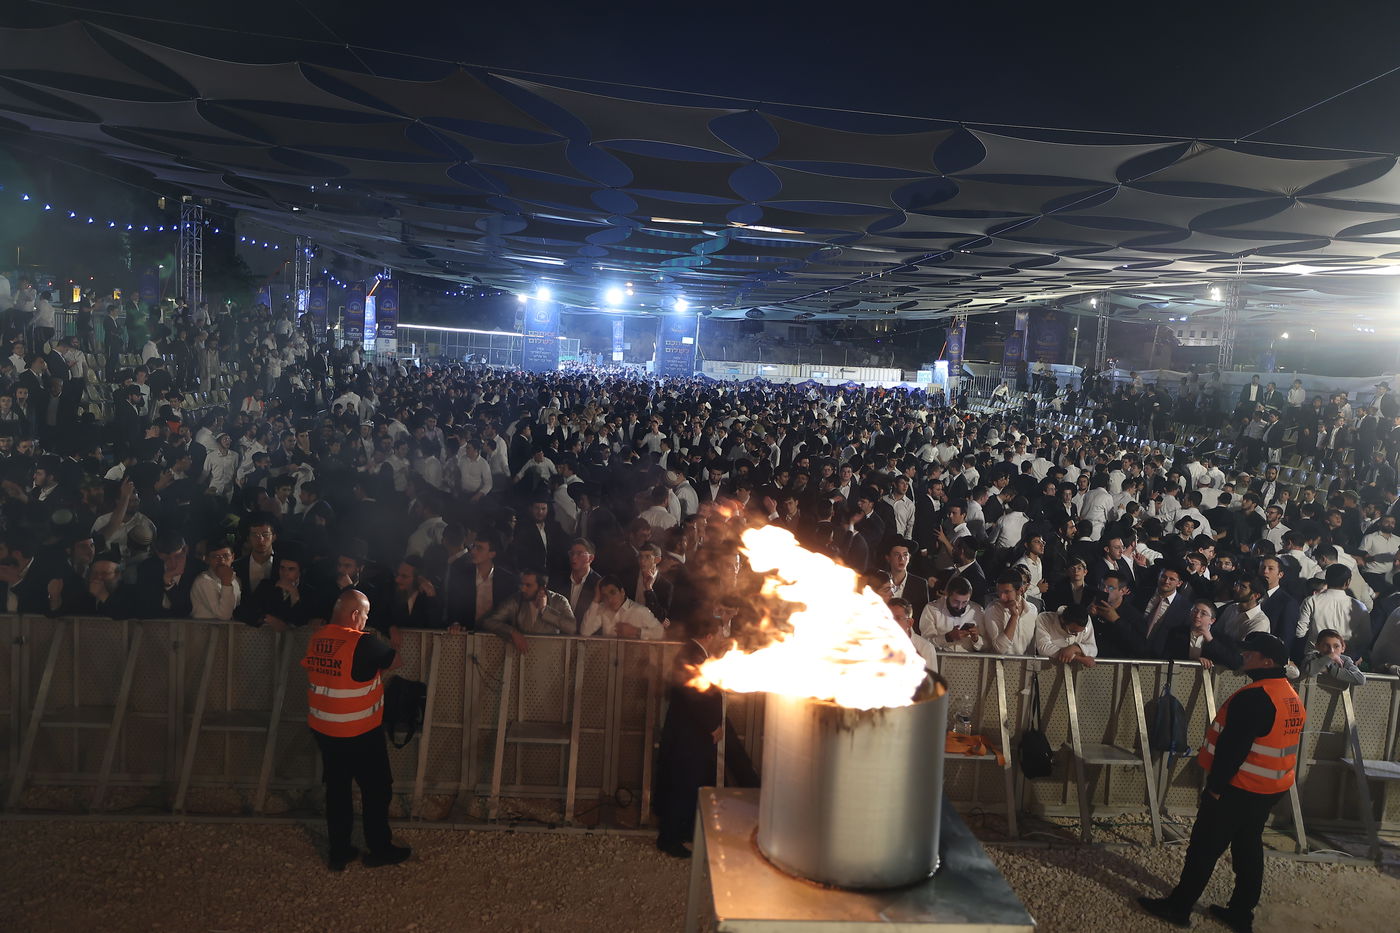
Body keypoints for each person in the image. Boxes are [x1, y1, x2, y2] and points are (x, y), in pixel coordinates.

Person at [1137, 632, 1304, 932]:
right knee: (1248, 849)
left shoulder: (1255, 697)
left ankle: (1179, 907)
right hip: (1268, 789)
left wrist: (1215, 788)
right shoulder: (1289, 695)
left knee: (1204, 848)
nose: (1243, 656)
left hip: (1237, 788)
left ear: (1267, 661)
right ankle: (1241, 914)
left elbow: (1232, 750)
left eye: (1249, 653)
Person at [301, 588, 411, 871]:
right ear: (354, 614)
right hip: (360, 731)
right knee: (377, 791)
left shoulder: (318, 637)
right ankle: (379, 848)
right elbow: (395, 661)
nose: (365, 620)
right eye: (365, 614)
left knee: (337, 792)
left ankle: (339, 852)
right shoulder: (363, 642)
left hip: (324, 730)